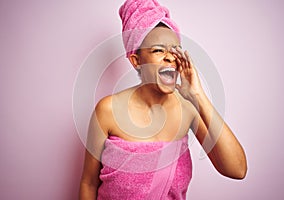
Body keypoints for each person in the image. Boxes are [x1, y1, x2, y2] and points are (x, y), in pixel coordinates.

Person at [79, 0, 247, 199]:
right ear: (136, 60)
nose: (170, 57)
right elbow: (88, 183)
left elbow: (237, 170)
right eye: (158, 50)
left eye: (175, 49)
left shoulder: (188, 108)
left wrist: (198, 96)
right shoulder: (107, 111)